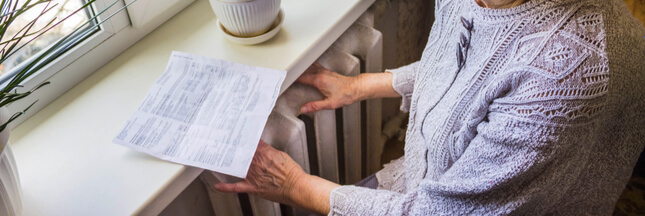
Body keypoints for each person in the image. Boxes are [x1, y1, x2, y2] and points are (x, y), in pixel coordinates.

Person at [214, 0, 645, 214]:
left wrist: (295, 186)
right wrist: (362, 84)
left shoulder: (566, 70)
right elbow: (471, 70)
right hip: (428, 183)